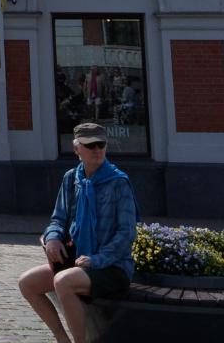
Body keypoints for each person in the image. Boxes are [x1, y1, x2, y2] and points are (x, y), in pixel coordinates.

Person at [18, 121, 137, 343]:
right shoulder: (71, 178)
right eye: (90, 145)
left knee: (64, 281)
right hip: (78, 261)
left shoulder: (118, 182)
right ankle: (62, 339)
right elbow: (58, 219)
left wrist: (97, 259)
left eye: (101, 144)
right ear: (76, 149)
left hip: (113, 267)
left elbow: (127, 233)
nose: (97, 150)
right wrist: (53, 238)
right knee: (27, 283)